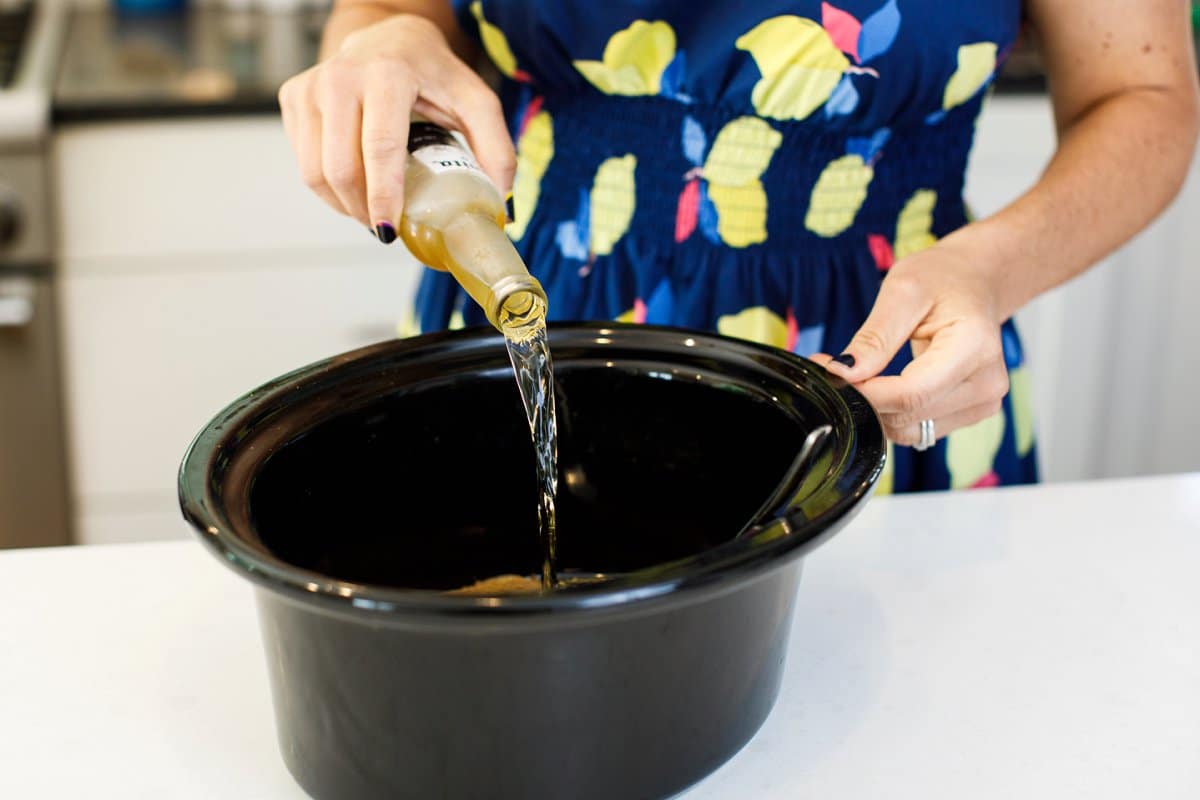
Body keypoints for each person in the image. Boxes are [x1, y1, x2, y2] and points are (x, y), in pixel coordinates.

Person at [278, 1, 1199, 493]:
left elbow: (1145, 97)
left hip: (883, 361)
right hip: (531, 320)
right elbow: (395, 7)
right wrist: (381, 33)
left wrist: (991, 270)